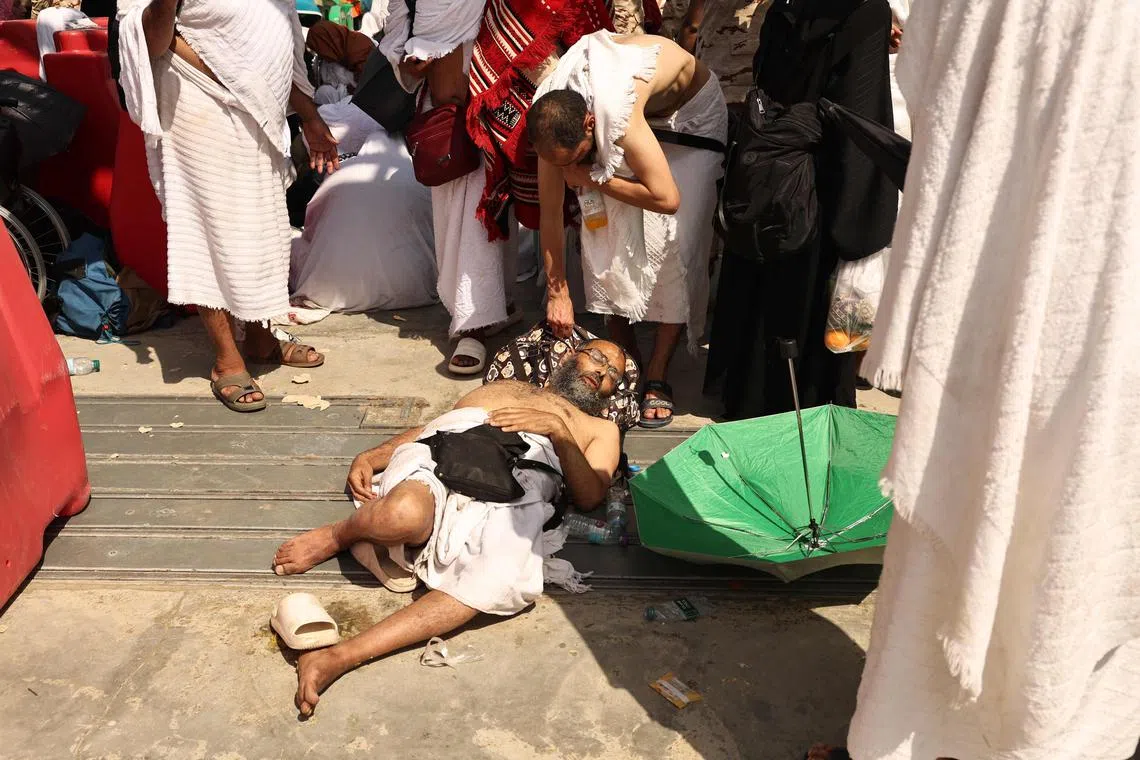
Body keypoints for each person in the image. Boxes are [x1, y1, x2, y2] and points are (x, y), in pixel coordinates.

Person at [808, 0, 1140, 758]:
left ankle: (956, 732)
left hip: (1007, 299)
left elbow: (926, 81)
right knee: (1074, 519)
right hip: (1091, 303)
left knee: (1027, 511)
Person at [271, 340, 627, 717]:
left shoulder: (600, 428)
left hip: (524, 479)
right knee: (399, 516)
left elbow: (589, 496)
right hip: (452, 444)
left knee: (497, 579)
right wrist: (372, 455)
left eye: (614, 376)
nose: (602, 372)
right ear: (572, 356)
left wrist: (559, 431)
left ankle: (339, 657)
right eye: (598, 357)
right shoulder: (503, 386)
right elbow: (436, 426)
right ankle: (338, 535)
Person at [117, 0, 338, 412]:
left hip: (261, 111)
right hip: (198, 98)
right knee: (207, 225)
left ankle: (259, 336)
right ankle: (225, 358)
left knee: (262, 225)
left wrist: (308, 116)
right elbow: (146, 38)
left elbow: (278, 41)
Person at [703, 0, 896, 420]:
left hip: (771, 169)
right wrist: (864, 221)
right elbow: (861, 110)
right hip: (824, 181)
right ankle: (806, 406)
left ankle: (751, 398)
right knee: (810, 298)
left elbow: (764, 80)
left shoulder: (781, 8)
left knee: (764, 290)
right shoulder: (863, 11)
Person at [528, 31, 727, 429]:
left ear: (589, 125)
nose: (566, 169)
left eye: (577, 157)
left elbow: (667, 198)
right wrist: (558, 293)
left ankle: (656, 372)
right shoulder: (551, 115)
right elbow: (550, 214)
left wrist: (593, 177)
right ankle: (628, 358)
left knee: (675, 240)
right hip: (624, 118)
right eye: (558, 163)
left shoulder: (616, 110)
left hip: (689, 118)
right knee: (602, 232)